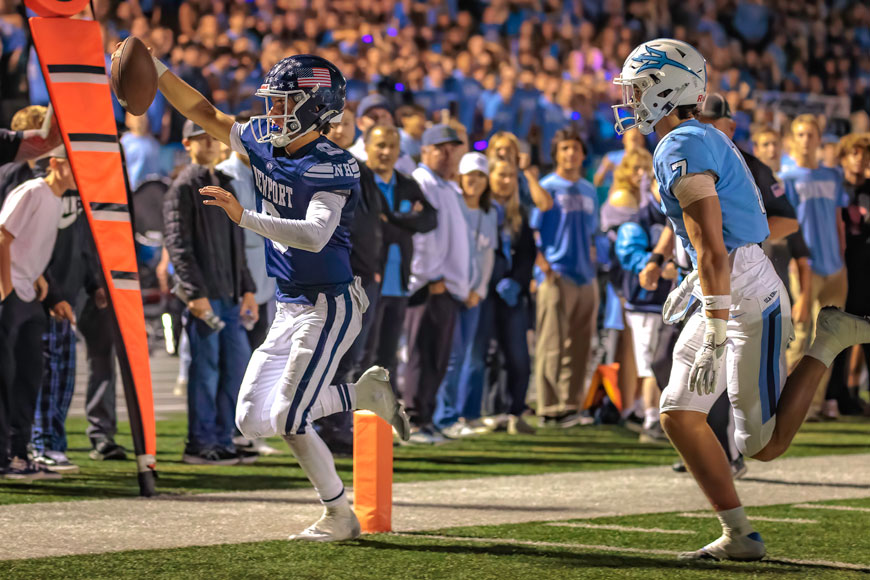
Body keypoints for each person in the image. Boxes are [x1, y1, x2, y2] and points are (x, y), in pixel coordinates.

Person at [612, 37, 870, 561]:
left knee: (763, 445)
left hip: (742, 290)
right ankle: (739, 535)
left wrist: (713, 326)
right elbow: (713, 242)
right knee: (678, 412)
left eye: (639, 87)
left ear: (667, 88)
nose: (631, 99)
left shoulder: (679, 144)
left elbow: (711, 244)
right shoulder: (694, 135)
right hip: (724, 283)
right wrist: (698, 285)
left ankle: (829, 341)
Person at [149, 50, 409, 541]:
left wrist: (243, 216)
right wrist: (157, 69)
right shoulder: (264, 140)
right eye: (272, 102)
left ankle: (339, 515)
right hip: (289, 304)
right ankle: (362, 395)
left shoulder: (335, 164)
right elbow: (203, 112)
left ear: (315, 108)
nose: (272, 112)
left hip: (330, 303)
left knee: (290, 416)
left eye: (285, 102)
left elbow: (313, 235)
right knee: (250, 420)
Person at [164, 119, 259, 465]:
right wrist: (193, 293)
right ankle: (199, 442)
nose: (209, 144)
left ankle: (222, 438)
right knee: (205, 372)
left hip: (230, 295)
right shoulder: (183, 188)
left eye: (213, 138)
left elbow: (239, 243)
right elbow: (177, 246)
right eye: (199, 139)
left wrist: (247, 289)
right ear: (186, 145)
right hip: (206, 295)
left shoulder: (227, 184)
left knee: (234, 369)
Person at [0, 147, 75, 480]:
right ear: (55, 162)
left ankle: (18, 454)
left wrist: (39, 276)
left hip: (28, 293)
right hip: (11, 293)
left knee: (30, 375)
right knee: (7, 377)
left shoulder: (55, 199)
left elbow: (23, 244)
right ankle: (5, 457)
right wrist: (6, 288)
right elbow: (2, 236)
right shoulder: (32, 190)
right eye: (73, 162)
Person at [402, 124, 469, 444]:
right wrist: (431, 278)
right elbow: (423, 237)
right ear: (425, 151)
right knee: (421, 354)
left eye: (452, 148)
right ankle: (414, 420)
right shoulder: (423, 182)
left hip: (448, 285)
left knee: (437, 357)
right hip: (431, 286)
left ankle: (426, 417)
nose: (447, 153)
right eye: (440, 148)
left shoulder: (446, 186)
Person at [780, 115, 849, 419]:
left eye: (811, 134)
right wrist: (797, 264)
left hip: (836, 266)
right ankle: (786, 403)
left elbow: (838, 220)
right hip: (805, 265)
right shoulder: (787, 177)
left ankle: (814, 405)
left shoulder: (832, 175)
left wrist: (843, 258)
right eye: (801, 134)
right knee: (800, 334)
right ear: (794, 139)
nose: (806, 139)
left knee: (830, 340)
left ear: (820, 138)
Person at [532, 128, 600, 427]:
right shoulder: (547, 186)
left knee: (581, 344)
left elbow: (593, 231)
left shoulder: (588, 189)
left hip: (586, 274)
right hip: (557, 272)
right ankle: (548, 407)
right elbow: (532, 232)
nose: (570, 154)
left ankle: (571, 405)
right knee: (551, 342)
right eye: (564, 149)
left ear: (583, 154)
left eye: (575, 148)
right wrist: (541, 265)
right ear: (556, 154)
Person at [433, 152, 498, 437]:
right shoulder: (452, 204)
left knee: (465, 356)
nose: (475, 181)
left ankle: (456, 414)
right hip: (449, 290)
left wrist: (479, 290)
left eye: (481, 176)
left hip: (473, 295)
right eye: (470, 175)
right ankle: (443, 416)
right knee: (450, 356)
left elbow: (487, 256)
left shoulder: (490, 212)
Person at [347, 94, 416, 174]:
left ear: (392, 120)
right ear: (360, 123)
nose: (380, 121)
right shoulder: (350, 157)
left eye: (384, 116)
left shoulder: (403, 158)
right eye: (373, 117)